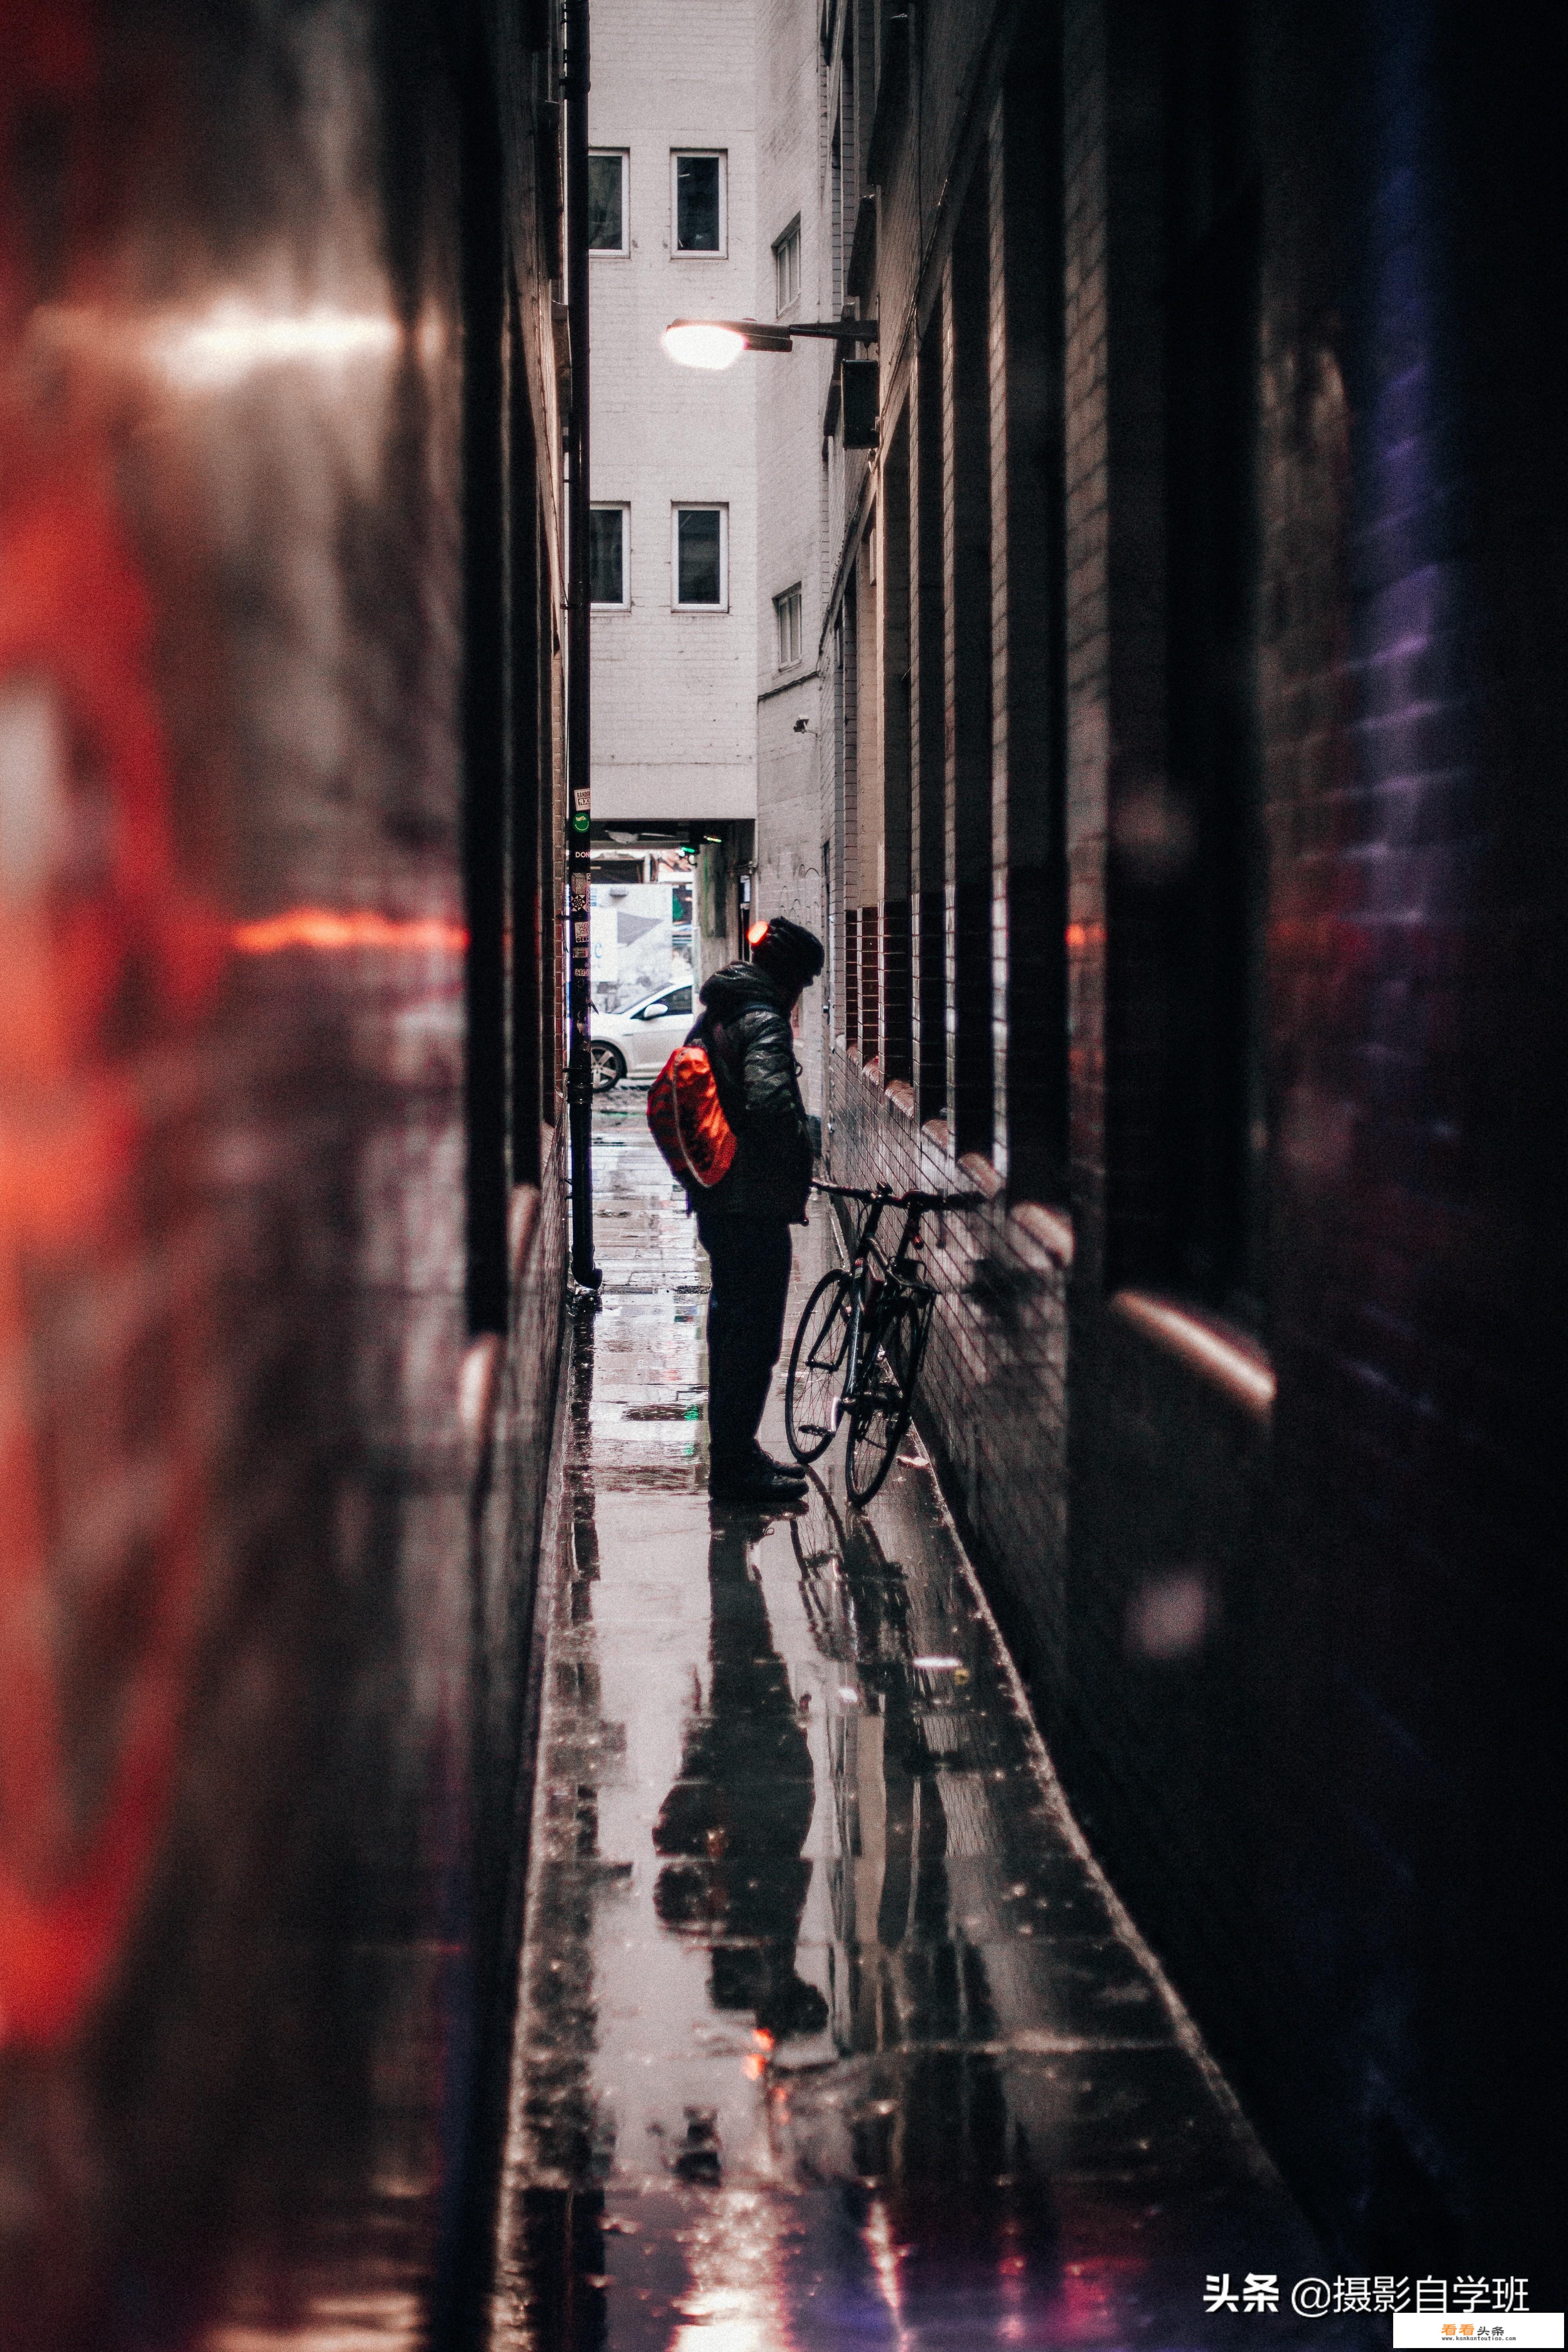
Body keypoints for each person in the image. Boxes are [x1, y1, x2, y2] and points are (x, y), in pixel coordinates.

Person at [684, 916, 825, 1506]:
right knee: (752, 1335)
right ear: (790, 977)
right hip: (751, 1205)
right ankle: (736, 1468)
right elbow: (769, 1109)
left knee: (731, 1326)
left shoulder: (717, 1011)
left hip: (718, 1197)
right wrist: (805, 1141)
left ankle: (736, 1453)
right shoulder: (763, 1020)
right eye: (805, 982)